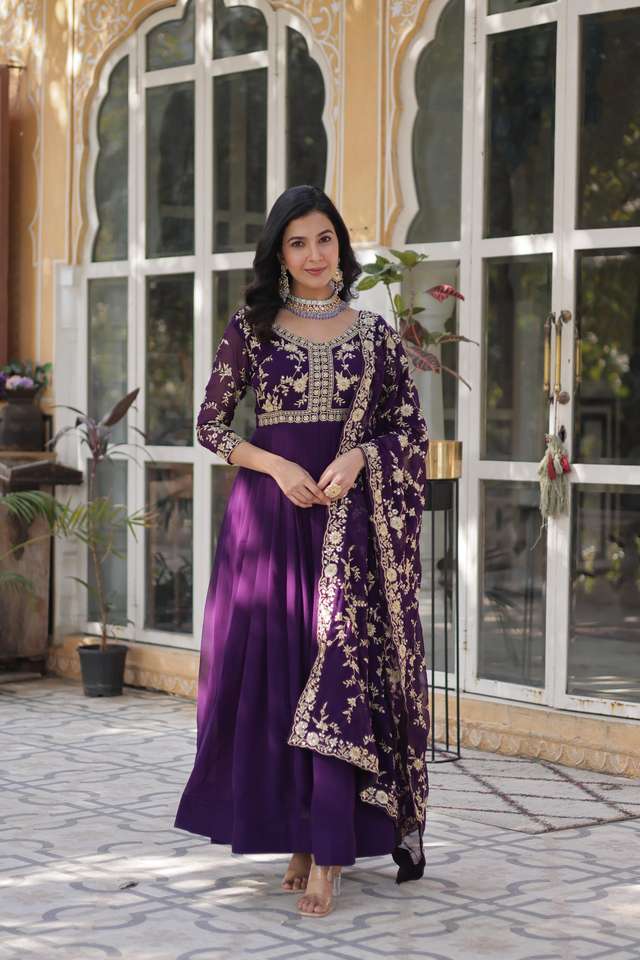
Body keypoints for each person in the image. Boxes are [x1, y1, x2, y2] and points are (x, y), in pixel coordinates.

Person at [174, 184, 431, 918]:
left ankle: (329, 850)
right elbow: (211, 425)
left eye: (324, 239)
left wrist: (360, 458)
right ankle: (297, 833)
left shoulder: (375, 336)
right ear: (279, 255)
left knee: (339, 673)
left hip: (348, 525)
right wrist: (278, 466)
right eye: (298, 243)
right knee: (281, 678)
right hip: (270, 521)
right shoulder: (251, 328)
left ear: (340, 246)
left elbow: (409, 431)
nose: (314, 255)